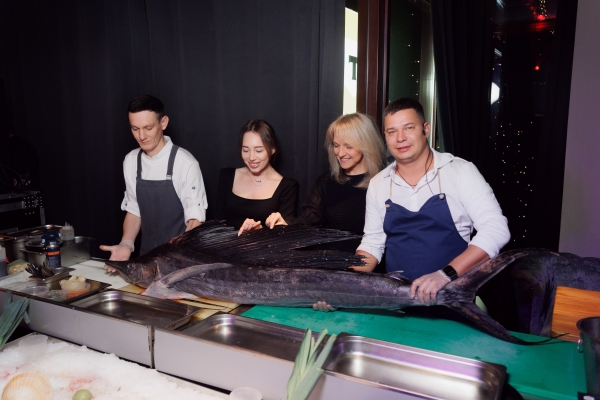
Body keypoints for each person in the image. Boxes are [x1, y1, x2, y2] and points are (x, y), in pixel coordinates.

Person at [353, 98, 510, 307]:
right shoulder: (378, 184)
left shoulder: (460, 171)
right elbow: (372, 245)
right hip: (399, 304)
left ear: (425, 129)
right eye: (392, 131)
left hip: (454, 302)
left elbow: (496, 229)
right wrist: (337, 284)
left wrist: (444, 275)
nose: (400, 138)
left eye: (409, 128)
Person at [100, 94, 208, 261]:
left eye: (148, 128)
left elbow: (195, 221)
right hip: (147, 258)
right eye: (135, 129)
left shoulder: (185, 163)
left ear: (163, 122)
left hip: (180, 259)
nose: (141, 136)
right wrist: (126, 244)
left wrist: (177, 258)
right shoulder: (131, 160)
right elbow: (134, 209)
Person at [265, 113, 386, 254]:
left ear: (366, 145)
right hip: (335, 260)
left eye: (348, 146)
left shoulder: (384, 182)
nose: (340, 153)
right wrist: (286, 224)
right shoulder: (327, 182)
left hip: (373, 260)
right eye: (336, 145)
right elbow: (308, 220)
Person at [216, 119, 298, 235]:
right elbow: (217, 225)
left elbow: (283, 236)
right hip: (225, 245)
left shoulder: (287, 187)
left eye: (258, 150)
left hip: (264, 246)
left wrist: (258, 231)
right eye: (245, 150)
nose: (251, 157)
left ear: (272, 149)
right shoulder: (227, 176)